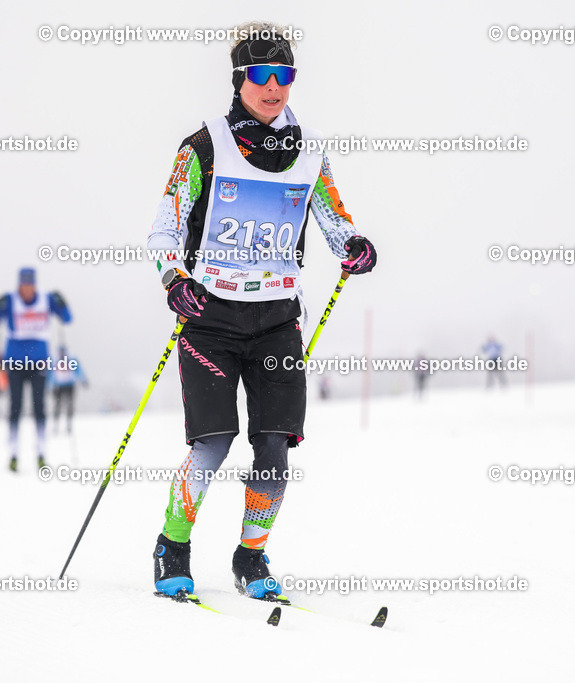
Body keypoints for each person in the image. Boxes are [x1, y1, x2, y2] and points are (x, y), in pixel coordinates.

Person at [146, 22, 378, 600]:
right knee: (214, 442)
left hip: (276, 319)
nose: (274, 88)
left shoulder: (311, 151)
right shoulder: (204, 147)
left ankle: (251, 556)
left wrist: (353, 243)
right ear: (240, 79)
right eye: (261, 75)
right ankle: (172, 546)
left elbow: (332, 217)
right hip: (211, 318)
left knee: (274, 445)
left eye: (285, 76)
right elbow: (164, 230)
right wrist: (174, 279)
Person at [0, 267, 71, 472]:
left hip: (39, 362)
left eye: (30, 284)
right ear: (19, 285)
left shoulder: (46, 299)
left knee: (39, 407)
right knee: (15, 407)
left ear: (34, 284)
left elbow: (67, 319)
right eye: (23, 285)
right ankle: (13, 453)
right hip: (15, 363)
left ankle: (42, 453)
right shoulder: (9, 300)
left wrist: (63, 304)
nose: (26, 289)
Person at [50, 345, 88, 435]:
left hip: (69, 385)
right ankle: (56, 425)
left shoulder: (72, 359)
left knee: (69, 405)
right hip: (58, 386)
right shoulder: (54, 360)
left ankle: (69, 424)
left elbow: (78, 370)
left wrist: (83, 380)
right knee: (57, 405)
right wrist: (49, 385)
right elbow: (50, 373)